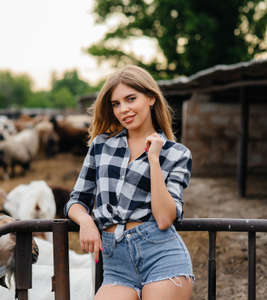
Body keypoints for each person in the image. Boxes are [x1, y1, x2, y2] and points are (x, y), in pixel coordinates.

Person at [64, 65, 194, 300]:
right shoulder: (101, 146)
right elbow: (77, 200)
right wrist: (86, 221)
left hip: (162, 256)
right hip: (116, 265)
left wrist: (154, 159)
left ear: (151, 98)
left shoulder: (177, 154)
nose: (123, 109)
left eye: (131, 99)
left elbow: (165, 218)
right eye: (116, 104)